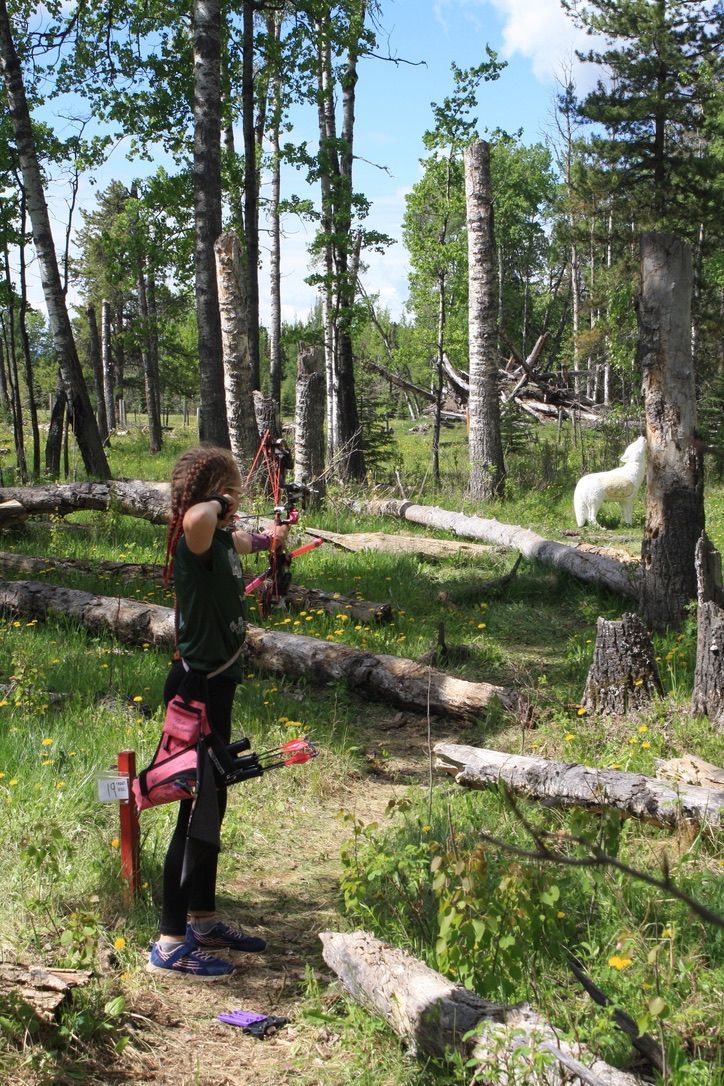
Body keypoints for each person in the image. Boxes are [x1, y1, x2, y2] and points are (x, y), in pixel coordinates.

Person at [147, 445, 287, 980]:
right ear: (213, 489)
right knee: (194, 809)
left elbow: (247, 540)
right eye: (231, 485)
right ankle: (169, 941)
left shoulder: (221, 538)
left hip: (216, 688)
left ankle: (202, 920)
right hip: (196, 691)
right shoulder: (197, 536)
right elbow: (197, 517)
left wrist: (274, 536)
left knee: (212, 805)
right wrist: (222, 500)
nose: (239, 494)